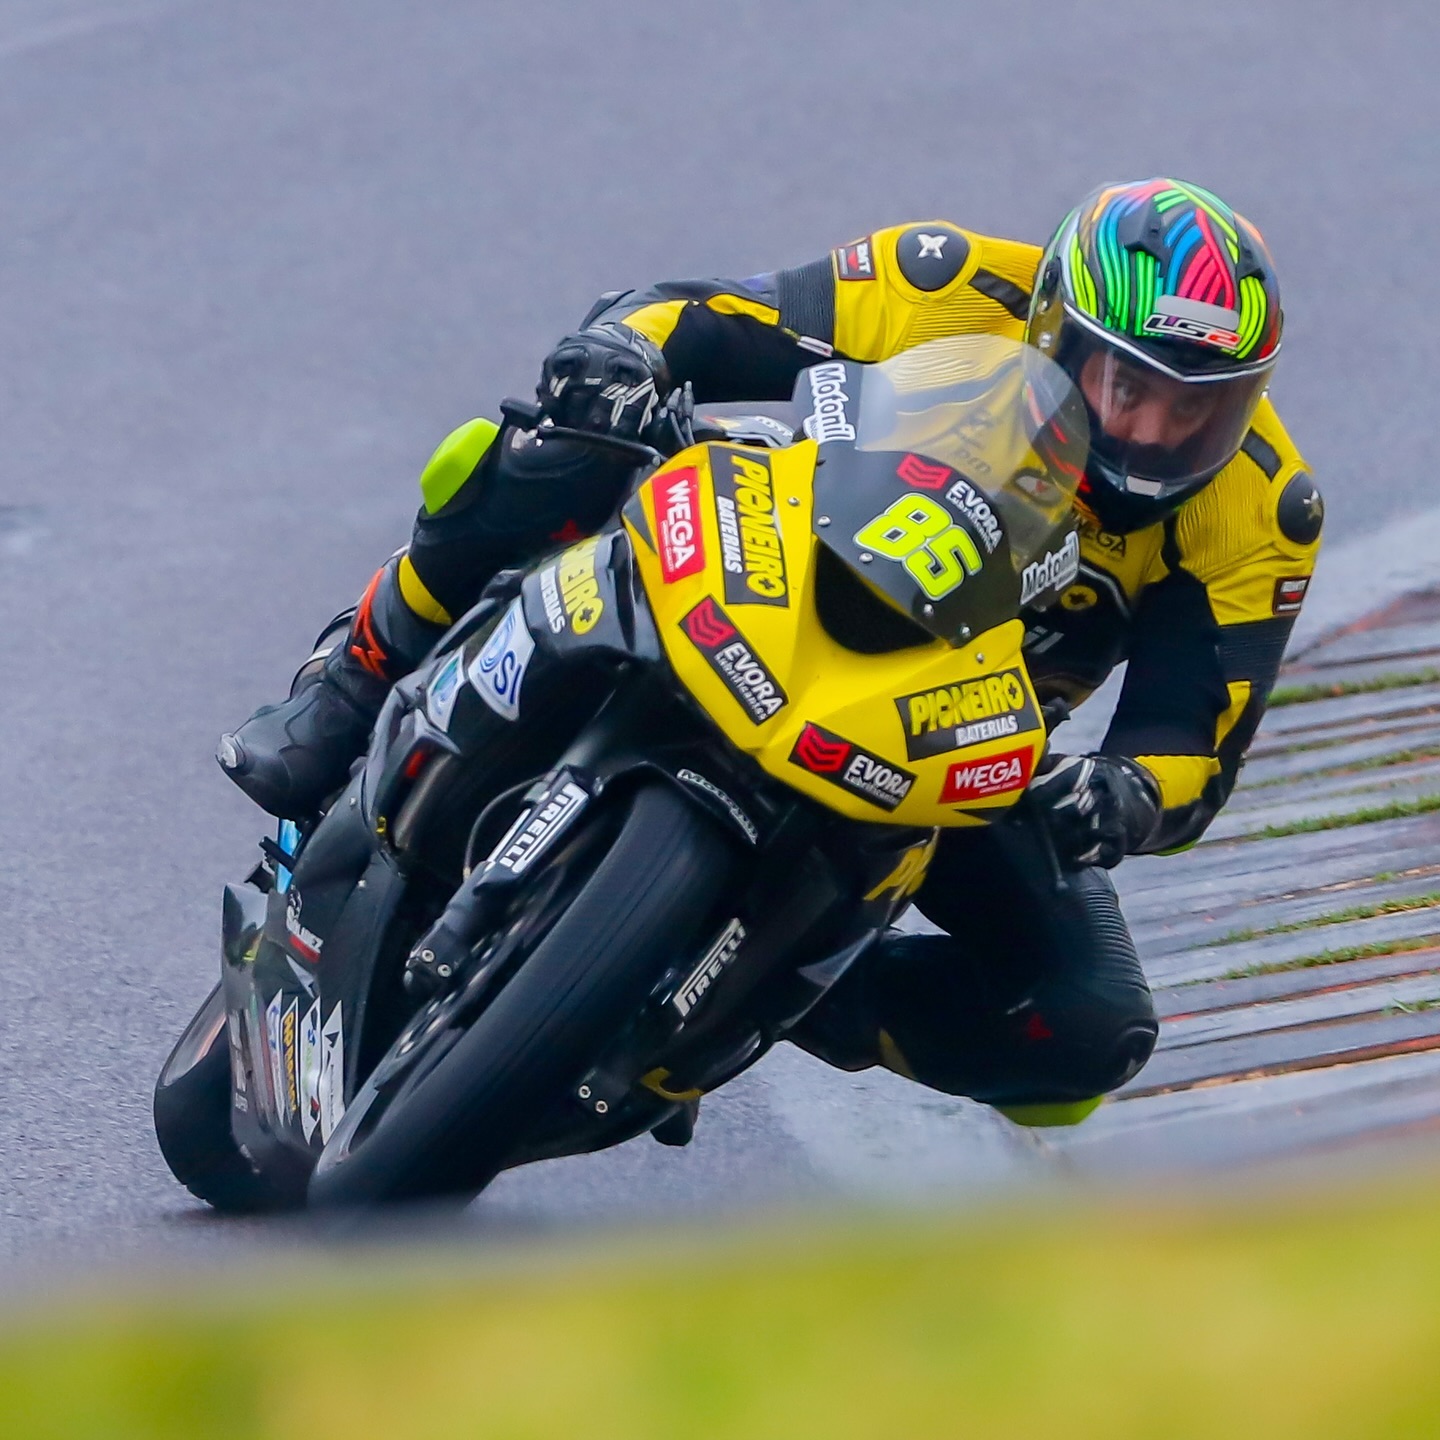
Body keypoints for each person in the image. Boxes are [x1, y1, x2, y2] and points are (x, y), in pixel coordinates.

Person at [218, 178, 1322, 1122]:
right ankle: (355, 678)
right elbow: (697, 315)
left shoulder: (1261, 511)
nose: (1152, 434)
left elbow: (1192, 740)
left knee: (1088, 1027)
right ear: (1052, 330)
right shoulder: (946, 281)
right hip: (774, 566)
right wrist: (617, 355)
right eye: (1128, 388)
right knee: (557, 446)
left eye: (1198, 409)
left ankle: (790, 992)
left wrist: (1124, 795)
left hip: (950, 747)